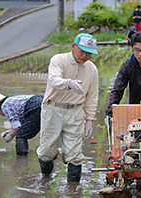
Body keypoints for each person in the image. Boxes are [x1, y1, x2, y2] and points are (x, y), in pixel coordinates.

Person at [37, 33, 99, 183]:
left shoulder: (92, 69)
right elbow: (53, 80)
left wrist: (90, 119)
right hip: (53, 109)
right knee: (47, 151)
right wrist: (69, 83)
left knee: (75, 154)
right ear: (73, 46)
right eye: (82, 51)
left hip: (76, 112)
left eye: (89, 53)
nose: (85, 56)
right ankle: (46, 181)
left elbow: (92, 97)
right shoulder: (59, 60)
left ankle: (73, 190)